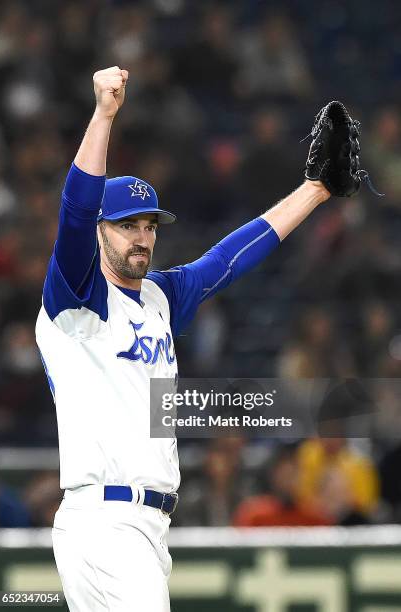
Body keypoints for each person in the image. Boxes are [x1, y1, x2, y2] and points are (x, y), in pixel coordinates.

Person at [35, 66, 330, 611]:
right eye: (127, 225)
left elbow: (228, 260)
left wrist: (313, 190)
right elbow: (75, 211)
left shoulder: (158, 297)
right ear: (102, 231)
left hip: (142, 527)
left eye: (149, 225)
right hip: (106, 522)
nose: (143, 237)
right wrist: (103, 115)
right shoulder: (76, 299)